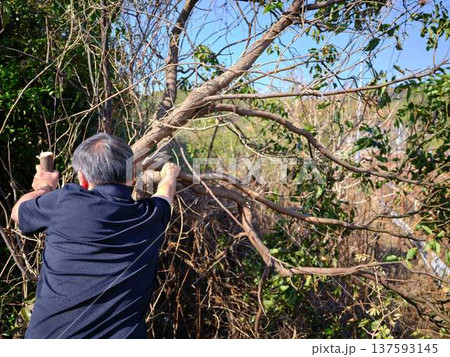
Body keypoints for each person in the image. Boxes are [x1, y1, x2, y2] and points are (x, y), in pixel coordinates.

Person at [11, 133, 180, 339]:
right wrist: (170, 175)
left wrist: (44, 187)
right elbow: (165, 194)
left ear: (82, 179)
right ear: (132, 178)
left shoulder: (64, 201)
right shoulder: (150, 216)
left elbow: (18, 212)